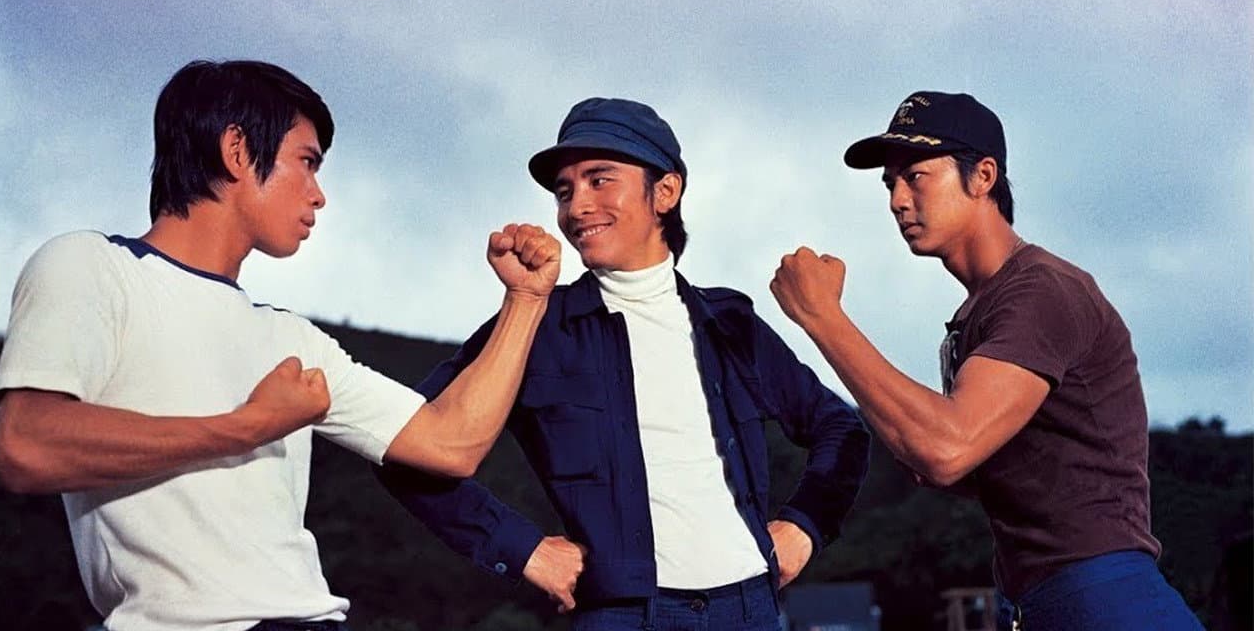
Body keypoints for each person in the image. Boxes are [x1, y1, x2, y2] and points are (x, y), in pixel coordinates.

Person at [0, 59, 562, 631]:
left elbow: (451, 443)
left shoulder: (291, 339)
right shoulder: (92, 265)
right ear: (237, 151)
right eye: (307, 162)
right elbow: (25, 445)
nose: (319, 195)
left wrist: (526, 299)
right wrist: (248, 426)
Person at [378, 97, 869, 631]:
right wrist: (523, 549)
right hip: (621, 615)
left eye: (599, 180)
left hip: (750, 609)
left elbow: (841, 427)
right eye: (564, 192)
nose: (576, 207)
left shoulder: (730, 323)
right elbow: (400, 445)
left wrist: (804, 526)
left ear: (666, 192)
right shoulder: (536, 324)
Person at [769, 91, 1202, 630]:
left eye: (916, 177)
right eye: (890, 184)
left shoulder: (1041, 292)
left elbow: (946, 449)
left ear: (983, 177)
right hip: (1036, 602)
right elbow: (946, 464)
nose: (897, 201)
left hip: (1105, 598)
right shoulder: (978, 313)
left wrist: (823, 317)